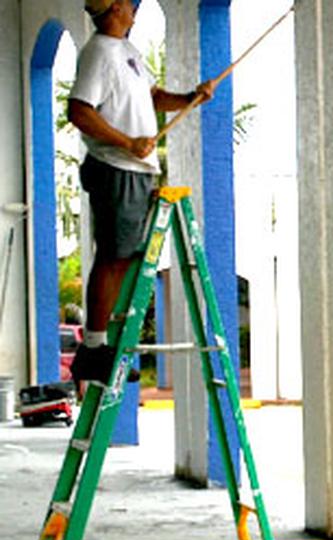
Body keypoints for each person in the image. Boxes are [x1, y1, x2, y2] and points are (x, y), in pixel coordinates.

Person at [68, 0, 214, 391]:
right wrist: (127, 142)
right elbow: (79, 111)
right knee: (114, 257)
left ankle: (105, 348)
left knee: (126, 256)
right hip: (116, 168)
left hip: (135, 170)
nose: (134, 9)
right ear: (114, 10)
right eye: (128, 4)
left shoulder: (127, 52)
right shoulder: (99, 51)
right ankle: (93, 350)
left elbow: (151, 96)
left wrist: (187, 99)